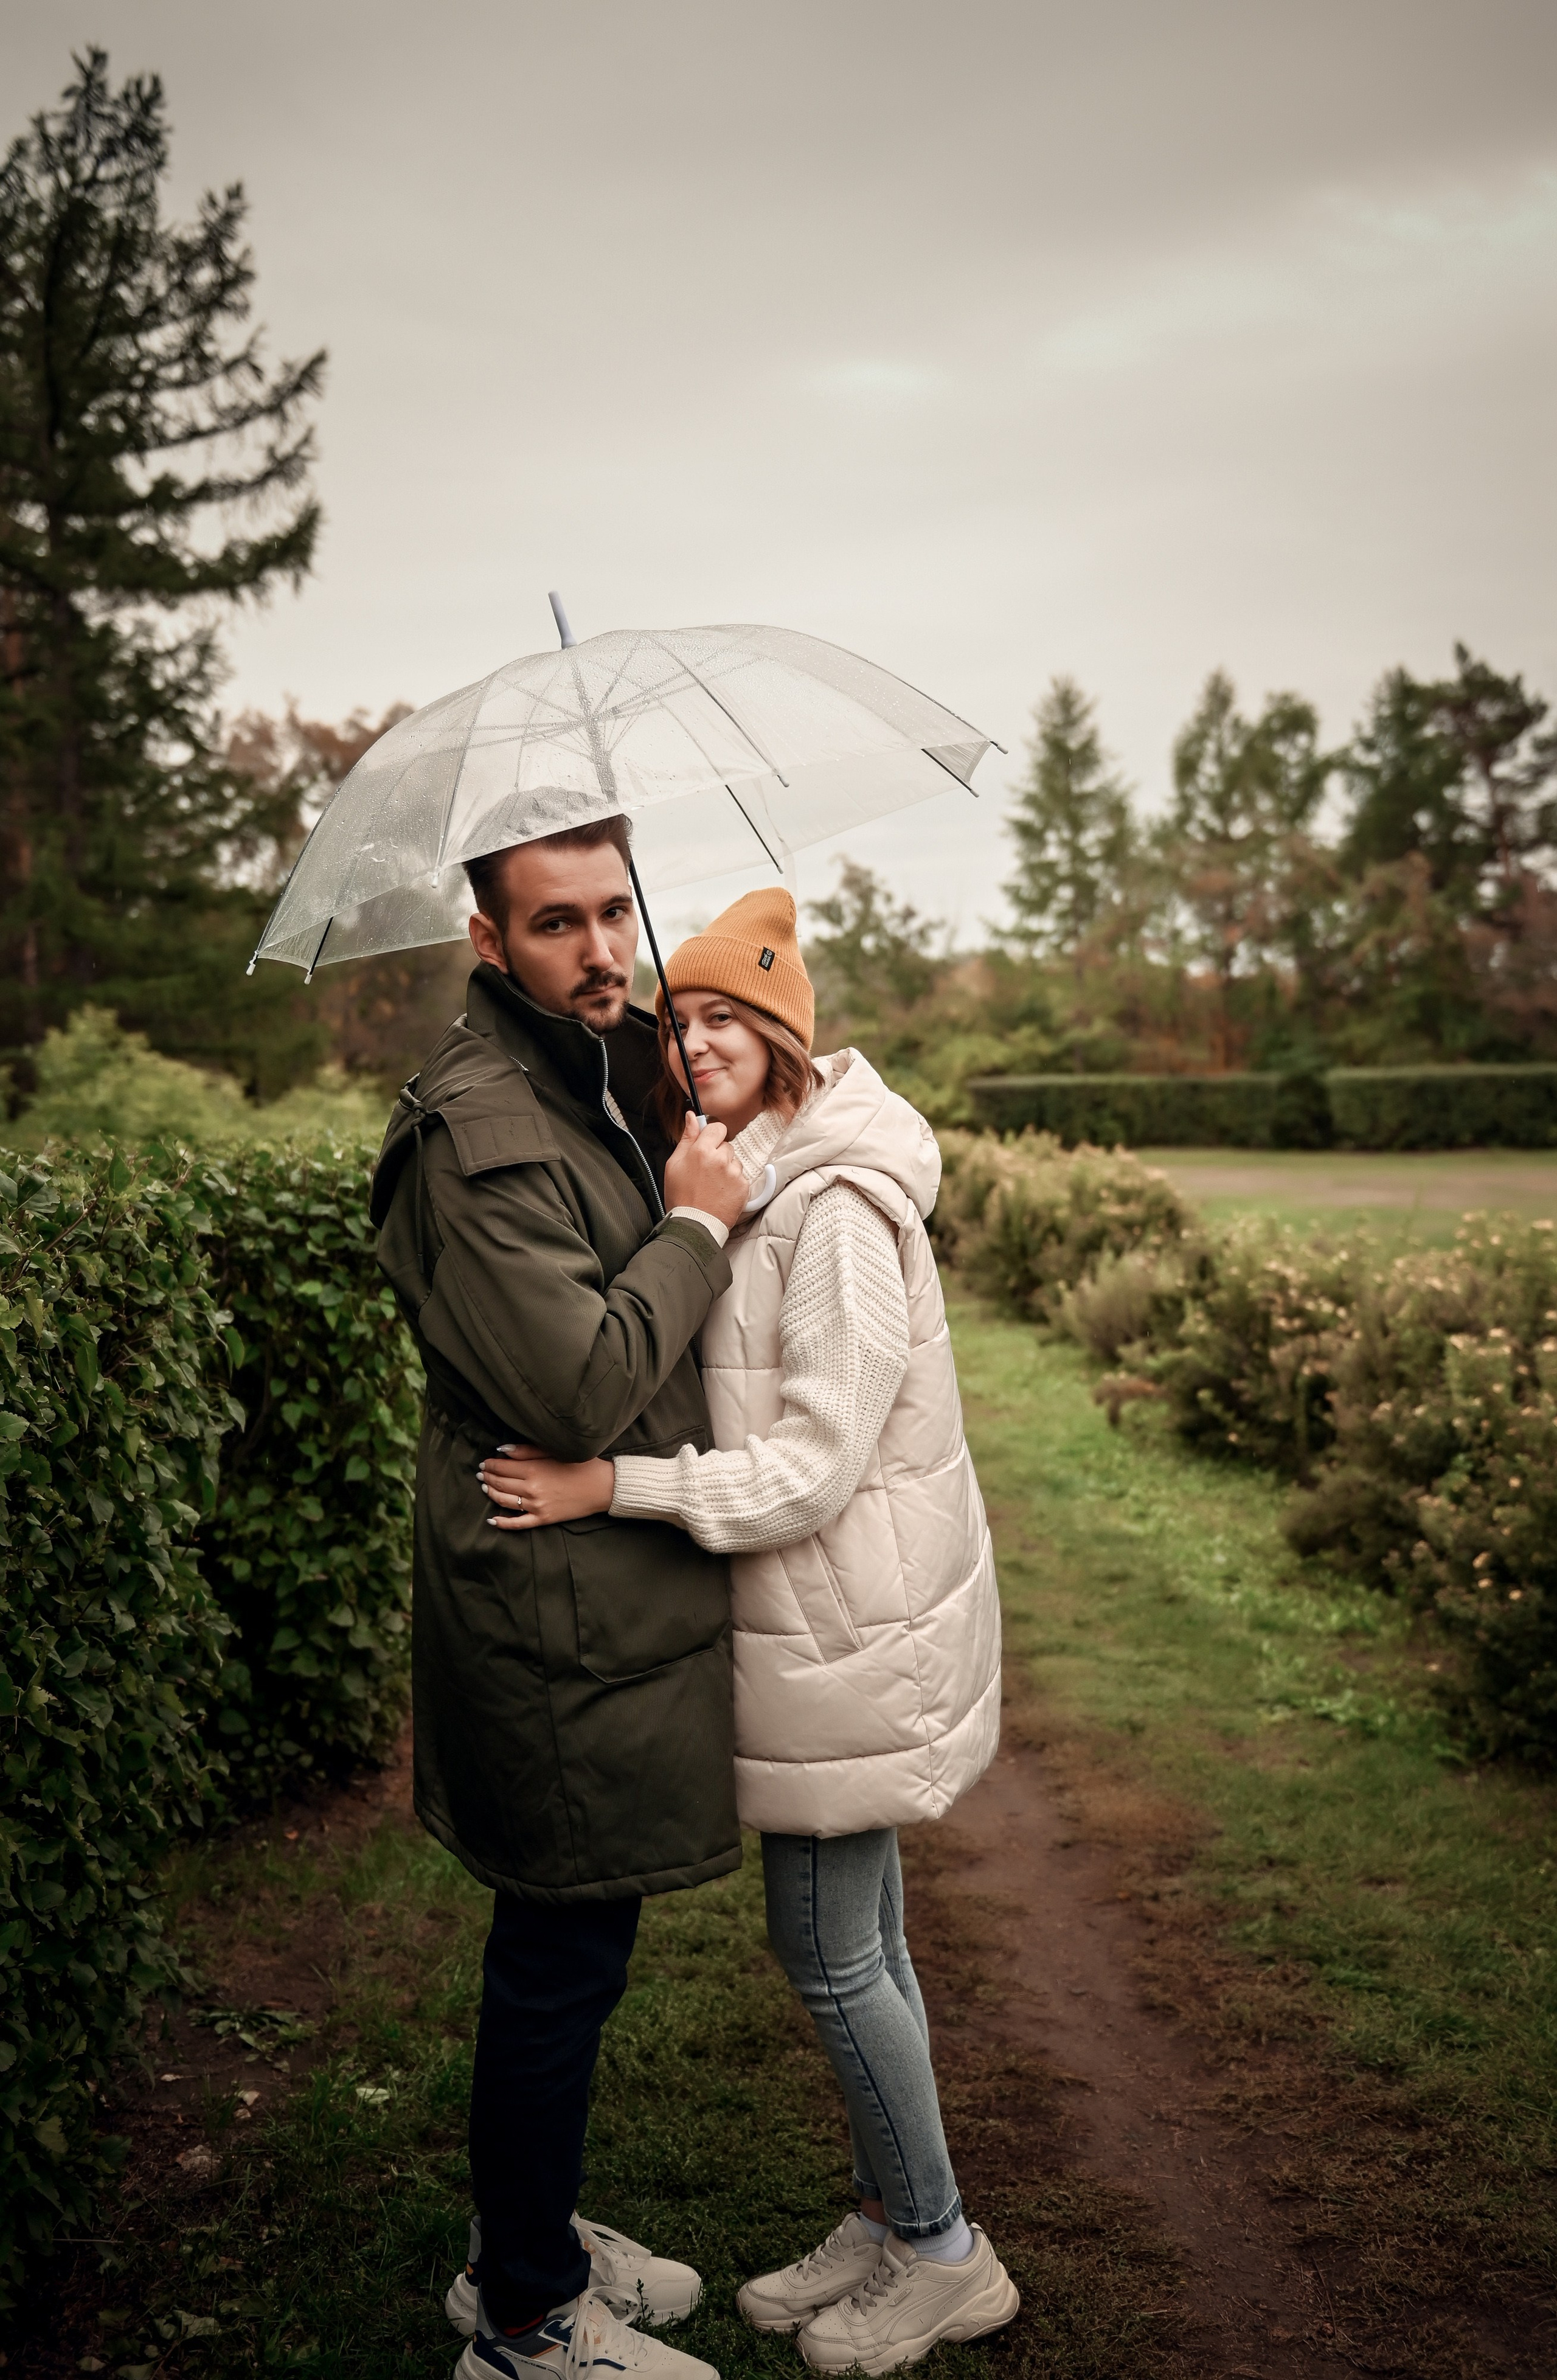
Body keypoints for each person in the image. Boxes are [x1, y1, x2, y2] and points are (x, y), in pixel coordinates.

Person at [477, 887, 1017, 2378]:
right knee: (864, 1942)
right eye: (684, 1019)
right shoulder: (762, 1175)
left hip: (845, 1629)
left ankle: (942, 2251)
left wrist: (613, 1486)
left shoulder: (832, 1210)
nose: (697, 1041)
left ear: (787, 1035)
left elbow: (814, 1465)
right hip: (824, 1630)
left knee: (830, 1949)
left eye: (731, 1018)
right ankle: (890, 2211)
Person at [370, 817, 754, 2380]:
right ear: (488, 941)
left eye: (612, 912)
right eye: (554, 924)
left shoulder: (591, 1071)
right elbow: (579, 1386)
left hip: (594, 1599)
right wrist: (696, 1226)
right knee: (556, 1964)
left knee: (570, 1955)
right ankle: (526, 2321)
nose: (600, 951)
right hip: (549, 1612)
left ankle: (522, 2241)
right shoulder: (479, 1130)